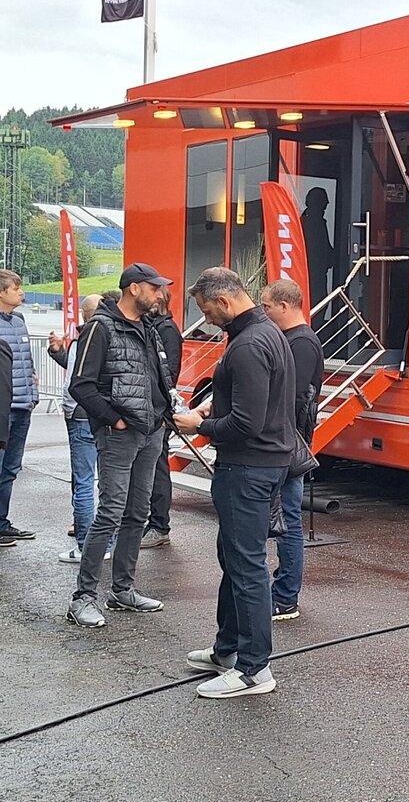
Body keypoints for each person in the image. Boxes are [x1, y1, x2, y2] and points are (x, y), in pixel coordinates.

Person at [175, 267, 294, 699]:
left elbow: (246, 422)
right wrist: (211, 413)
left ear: (224, 301)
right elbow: (251, 407)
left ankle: (253, 670)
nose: (208, 320)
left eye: (208, 311)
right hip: (258, 465)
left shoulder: (248, 343)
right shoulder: (264, 333)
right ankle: (229, 649)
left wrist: (198, 423)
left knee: (245, 568)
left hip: (248, 468)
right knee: (235, 560)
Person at [65, 264, 174, 628]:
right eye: (154, 288)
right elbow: (81, 384)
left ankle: (123, 590)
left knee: (137, 512)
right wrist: (114, 419)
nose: (159, 295)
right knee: (111, 512)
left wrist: (163, 414)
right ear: (134, 289)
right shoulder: (100, 327)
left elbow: (158, 378)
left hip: (150, 432)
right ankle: (83, 598)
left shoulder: (148, 328)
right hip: (120, 434)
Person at [260, 278, 323, 621]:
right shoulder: (296, 340)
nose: (264, 313)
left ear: (284, 306)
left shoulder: (301, 343)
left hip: (287, 444)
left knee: (288, 520)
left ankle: (285, 596)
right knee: (286, 518)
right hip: (287, 441)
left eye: (267, 307)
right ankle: (283, 594)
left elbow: (293, 396)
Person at [49, 294, 117, 563]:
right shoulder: (111, 335)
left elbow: (75, 383)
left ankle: (84, 545)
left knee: (84, 482)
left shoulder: (85, 337)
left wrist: (69, 410)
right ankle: (107, 542)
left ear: (84, 314)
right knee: (108, 482)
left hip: (81, 415)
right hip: (105, 416)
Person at [142, 286, 183, 548]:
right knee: (153, 467)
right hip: (150, 408)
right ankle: (154, 522)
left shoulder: (167, 330)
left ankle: (159, 524)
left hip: (157, 410)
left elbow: (169, 371)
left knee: (158, 467)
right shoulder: (153, 326)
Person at [0, 269, 38, 544]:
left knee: (10, 469)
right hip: (3, 410)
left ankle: (2, 523)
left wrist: (33, 394)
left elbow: (28, 365)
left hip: (23, 406)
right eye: (16, 288)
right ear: (2, 293)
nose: (21, 292)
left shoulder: (19, 321)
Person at [301, 186, 334, 327]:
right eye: (324, 202)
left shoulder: (313, 221)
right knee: (318, 302)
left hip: (318, 272)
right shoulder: (310, 223)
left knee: (321, 303)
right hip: (312, 274)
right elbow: (318, 248)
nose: (327, 204)